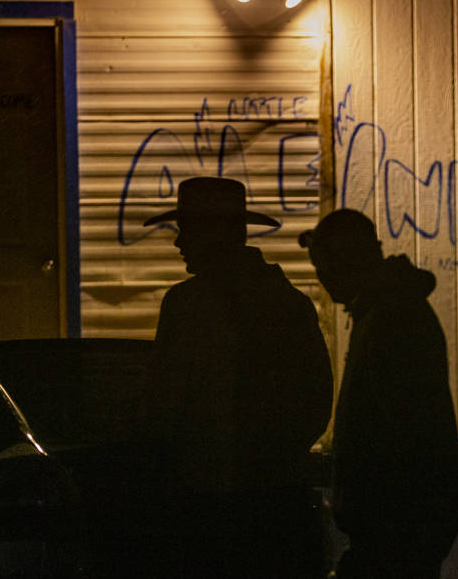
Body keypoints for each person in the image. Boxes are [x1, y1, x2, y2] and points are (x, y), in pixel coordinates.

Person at [140, 177, 333, 578]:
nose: (178, 244)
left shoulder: (186, 306)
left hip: (206, 513)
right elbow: (315, 404)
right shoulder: (291, 305)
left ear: (215, 234)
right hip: (280, 511)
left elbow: (162, 410)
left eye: (187, 231)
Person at [298, 209, 458, 579]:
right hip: (401, 527)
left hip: (396, 530)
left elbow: (409, 435)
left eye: (323, 269)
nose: (321, 281)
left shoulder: (390, 319)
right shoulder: (387, 310)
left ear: (341, 264)